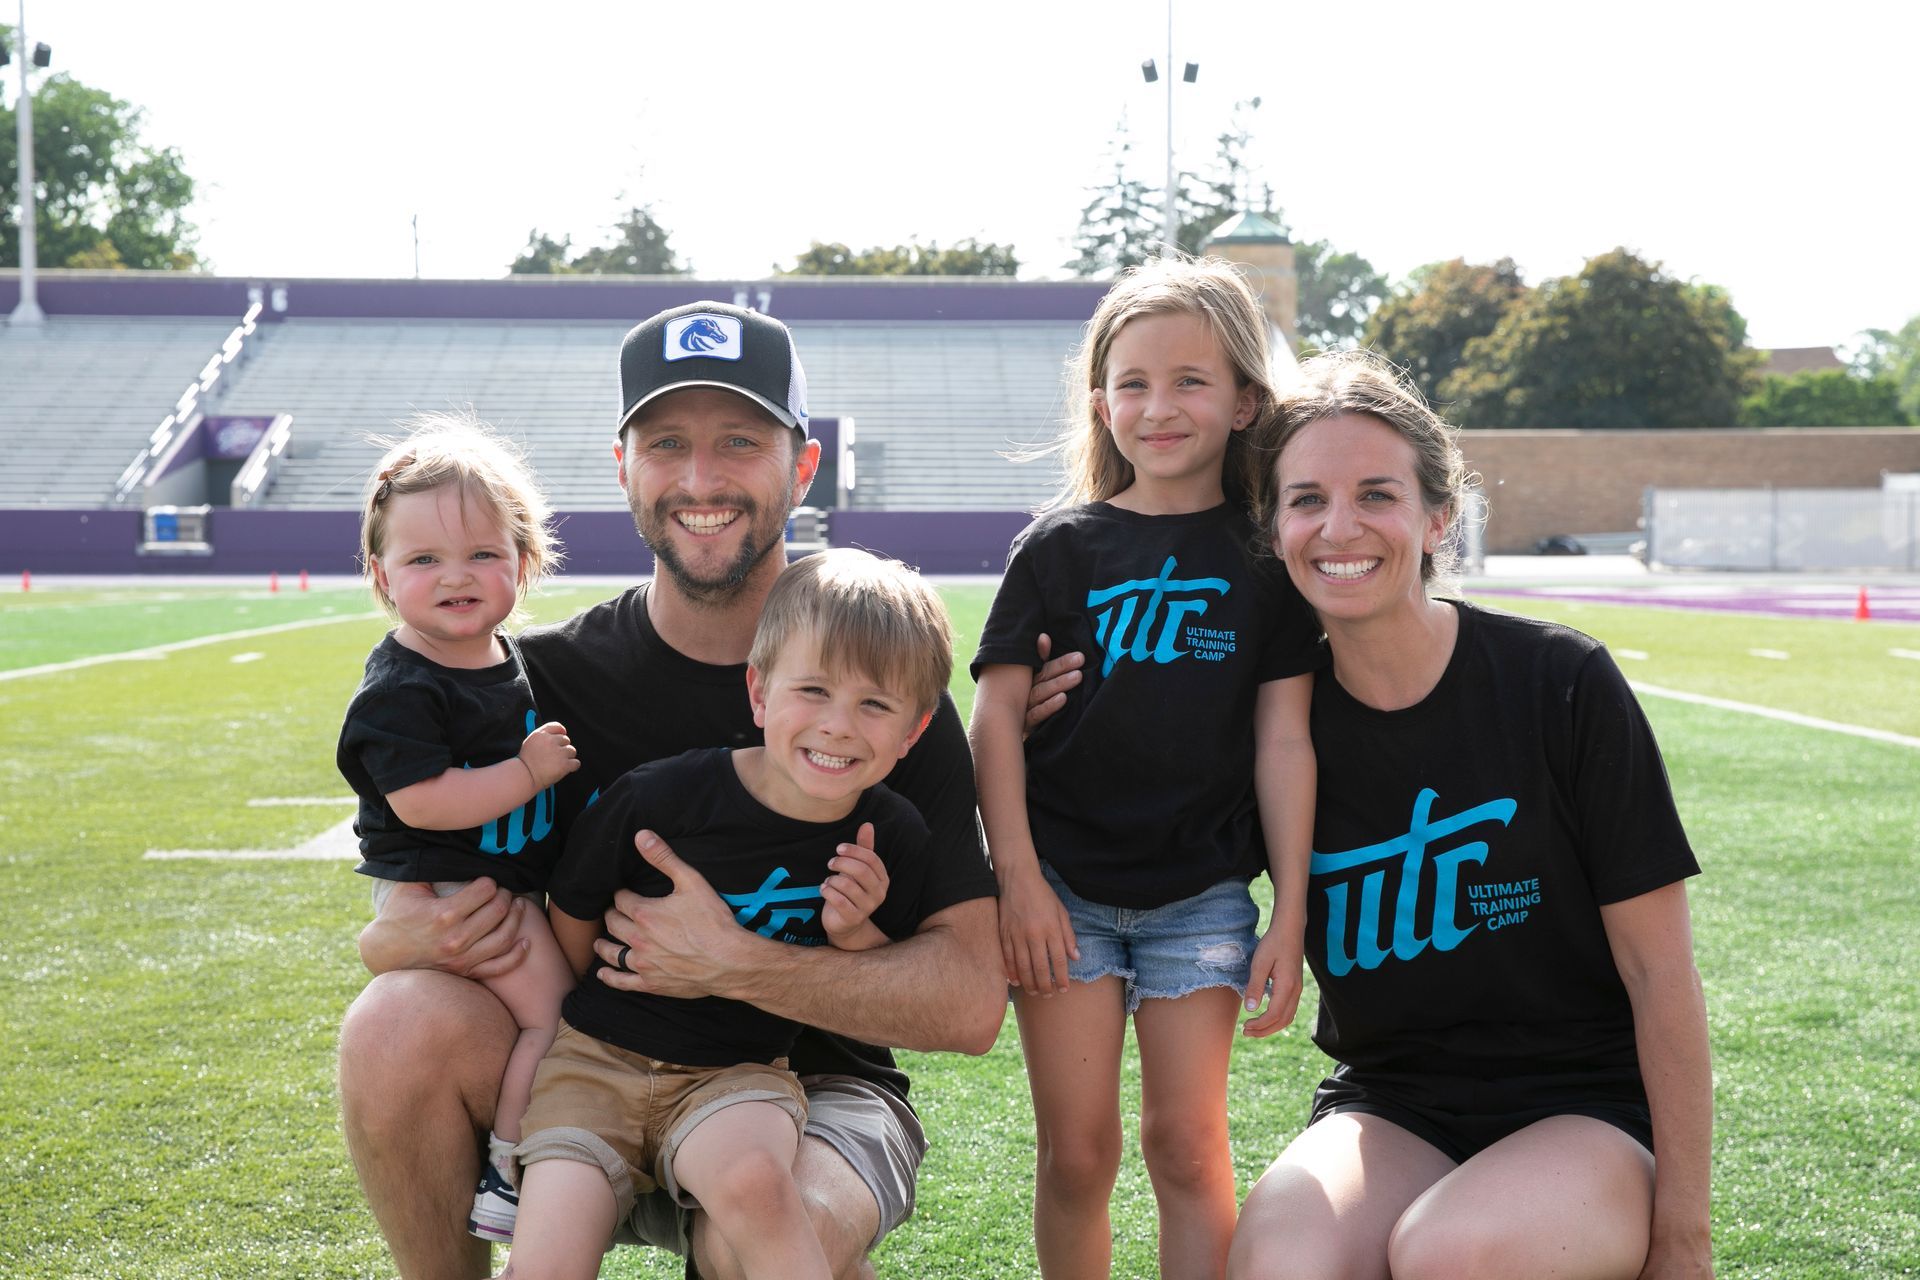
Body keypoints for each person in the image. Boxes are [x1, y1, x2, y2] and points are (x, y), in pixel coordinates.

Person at [337, 301, 1004, 1280]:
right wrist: (395, 933)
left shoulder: (875, 695)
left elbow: (969, 1002)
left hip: (818, 1089)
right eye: (667, 443)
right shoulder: (540, 685)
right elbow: (431, 872)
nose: (701, 479)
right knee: (394, 1023)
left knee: (770, 1234)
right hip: (589, 1067)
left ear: (803, 466)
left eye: (739, 441)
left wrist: (733, 961)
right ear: (623, 466)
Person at [1226, 350, 1713, 1280]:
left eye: (1377, 494)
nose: (1340, 527)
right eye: (1305, 500)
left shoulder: (1559, 683)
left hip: (1586, 1107)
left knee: (1450, 1256)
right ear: (1273, 525)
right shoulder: (1274, 724)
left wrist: (1683, 1238)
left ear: (1437, 515)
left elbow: (1661, 975)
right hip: (1392, 1101)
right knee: (1282, 1263)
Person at [968, 257, 1324, 1280]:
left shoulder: (1265, 559)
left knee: (1185, 1142)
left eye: (1190, 380)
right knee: (1078, 1152)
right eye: (1133, 382)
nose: (1158, 405)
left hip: (1202, 899)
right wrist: (1020, 879)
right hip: (1063, 895)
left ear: (1246, 400)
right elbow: (992, 720)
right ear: (1099, 400)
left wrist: (1289, 913)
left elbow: (1284, 739)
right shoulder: (1057, 548)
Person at [502, 549, 956, 1280]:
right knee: (548, 1256)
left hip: (736, 1073)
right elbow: (573, 912)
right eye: (813, 690)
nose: (839, 726)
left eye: (874, 704)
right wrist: (610, 991)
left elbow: (889, 976)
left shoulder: (889, 833)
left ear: (913, 730)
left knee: (758, 1194)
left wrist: (852, 932)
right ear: (760, 692)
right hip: (596, 1060)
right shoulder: (660, 798)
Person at [336, 413, 580, 1244]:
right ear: (383, 576)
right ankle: (511, 1166)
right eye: (424, 559)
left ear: (525, 561)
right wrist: (528, 774)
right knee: (554, 1024)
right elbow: (423, 802)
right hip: (456, 894)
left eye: (483, 553)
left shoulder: (510, 657)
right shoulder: (402, 685)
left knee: (546, 1018)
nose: (456, 576)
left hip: (496, 887)